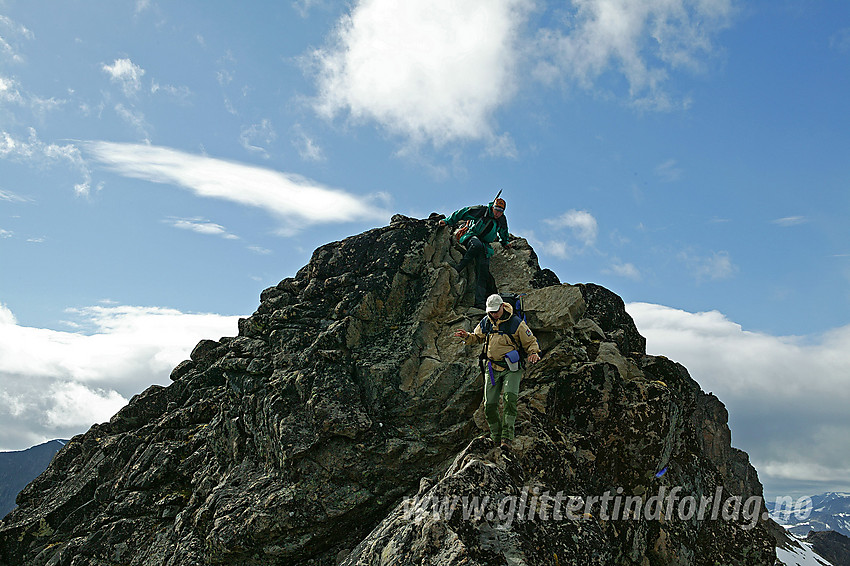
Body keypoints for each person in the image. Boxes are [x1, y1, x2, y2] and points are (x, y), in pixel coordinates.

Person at [454, 294, 541, 450]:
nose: (493, 314)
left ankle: (507, 438)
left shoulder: (516, 323)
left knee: (509, 400)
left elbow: (531, 341)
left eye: (495, 311)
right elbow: (477, 337)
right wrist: (467, 336)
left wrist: (533, 352)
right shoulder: (486, 322)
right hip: (492, 368)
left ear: (502, 306)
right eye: (491, 311)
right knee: (490, 405)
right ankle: (496, 436)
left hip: (512, 368)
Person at [439, 196, 510, 309]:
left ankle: (480, 302)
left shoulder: (502, 219)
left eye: (500, 211)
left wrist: (505, 242)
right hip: (470, 235)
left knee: (483, 270)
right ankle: (460, 267)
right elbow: (462, 212)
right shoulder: (482, 210)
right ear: (493, 207)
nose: (497, 213)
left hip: (485, 245)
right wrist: (447, 221)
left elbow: (504, 232)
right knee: (476, 245)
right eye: (496, 209)